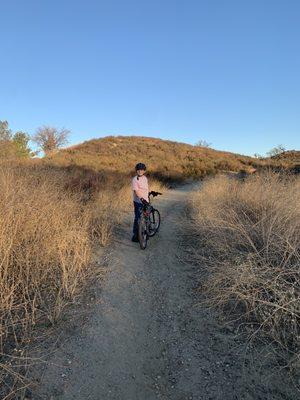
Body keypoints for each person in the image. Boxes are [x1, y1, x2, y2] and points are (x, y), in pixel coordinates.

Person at [131, 162, 149, 242]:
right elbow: (136, 191)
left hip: (146, 200)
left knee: (146, 216)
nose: (140, 171)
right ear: (136, 170)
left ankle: (146, 232)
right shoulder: (135, 179)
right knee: (138, 218)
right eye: (138, 170)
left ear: (144, 171)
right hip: (138, 201)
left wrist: (149, 193)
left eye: (141, 170)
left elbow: (146, 188)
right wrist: (141, 199)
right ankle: (136, 235)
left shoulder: (145, 178)